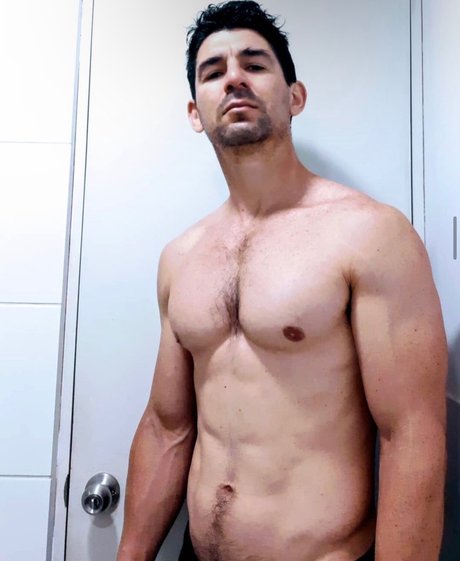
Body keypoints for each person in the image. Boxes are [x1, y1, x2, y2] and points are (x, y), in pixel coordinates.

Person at [116, 2, 448, 560]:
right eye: (213, 72)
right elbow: (166, 428)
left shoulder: (370, 234)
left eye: (254, 64)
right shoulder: (181, 257)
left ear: (295, 96)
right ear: (196, 112)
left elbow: (411, 437)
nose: (234, 78)